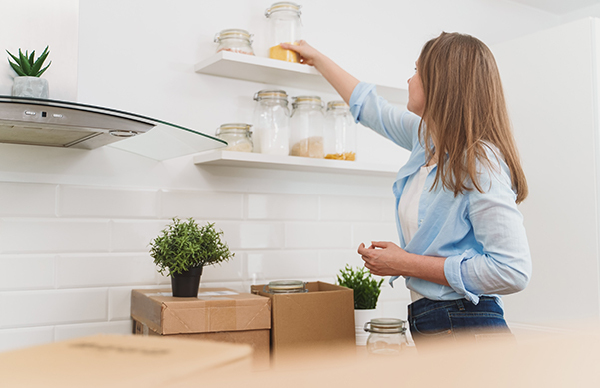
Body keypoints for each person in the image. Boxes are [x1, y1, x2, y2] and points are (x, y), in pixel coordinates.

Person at [281, 32, 531, 347]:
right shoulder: (427, 140)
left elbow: (512, 270)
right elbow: (371, 108)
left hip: (468, 328)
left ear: (440, 84)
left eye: (416, 71)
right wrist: (316, 58)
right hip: (439, 322)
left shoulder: (480, 162)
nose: (409, 79)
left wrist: (404, 263)